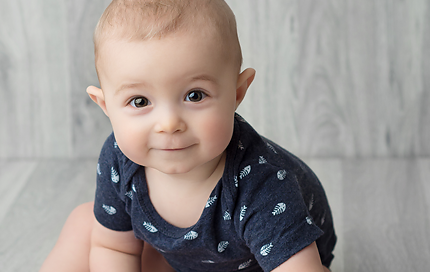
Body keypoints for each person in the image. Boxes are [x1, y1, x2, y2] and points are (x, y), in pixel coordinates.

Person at [40, 0, 336, 271]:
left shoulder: (261, 185)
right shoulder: (119, 160)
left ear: (237, 93)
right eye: (140, 101)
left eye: (195, 95)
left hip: (267, 262)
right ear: (106, 106)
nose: (169, 124)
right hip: (181, 257)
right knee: (87, 224)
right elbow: (113, 247)